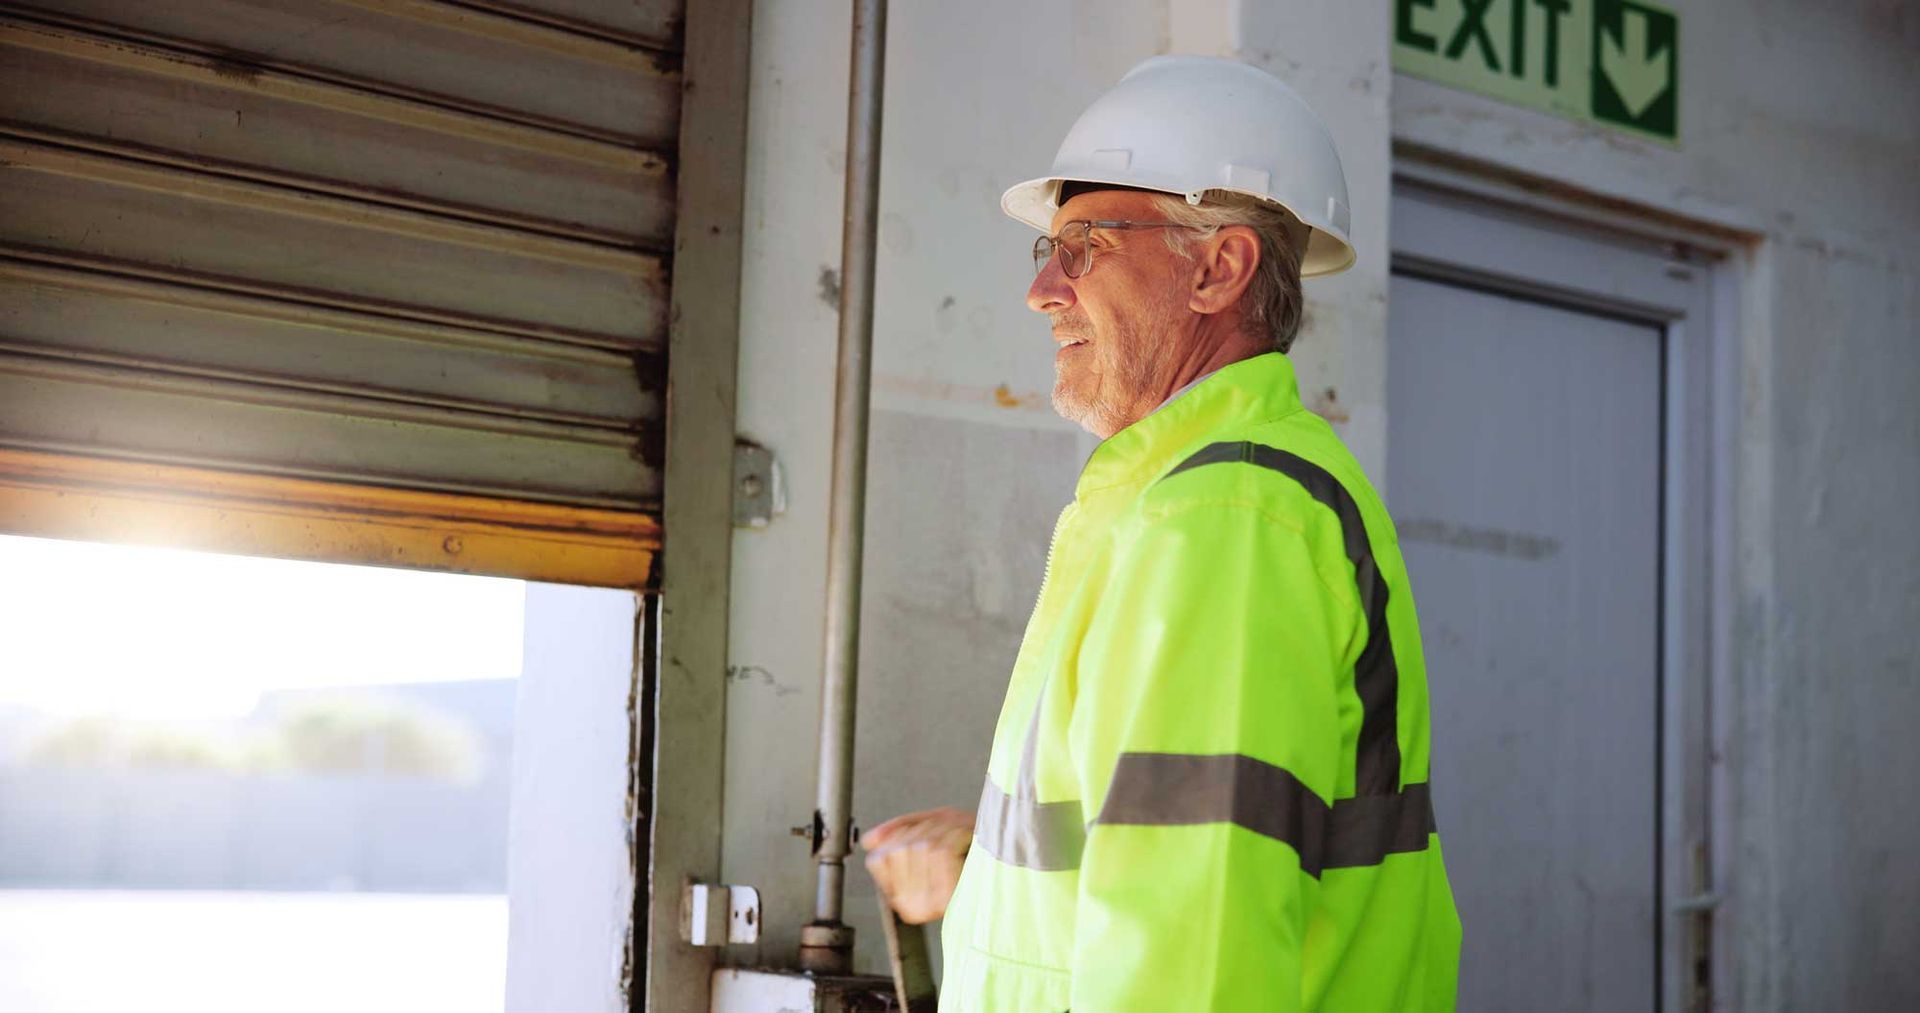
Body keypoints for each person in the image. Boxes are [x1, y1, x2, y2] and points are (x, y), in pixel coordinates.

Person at [864, 56, 1461, 1011]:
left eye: (1085, 245)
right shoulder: (1192, 501)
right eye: (1046, 251)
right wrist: (987, 869)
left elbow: (1197, 946)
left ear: (1220, 269)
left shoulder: (1227, 518)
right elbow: (1171, 843)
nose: (1043, 291)